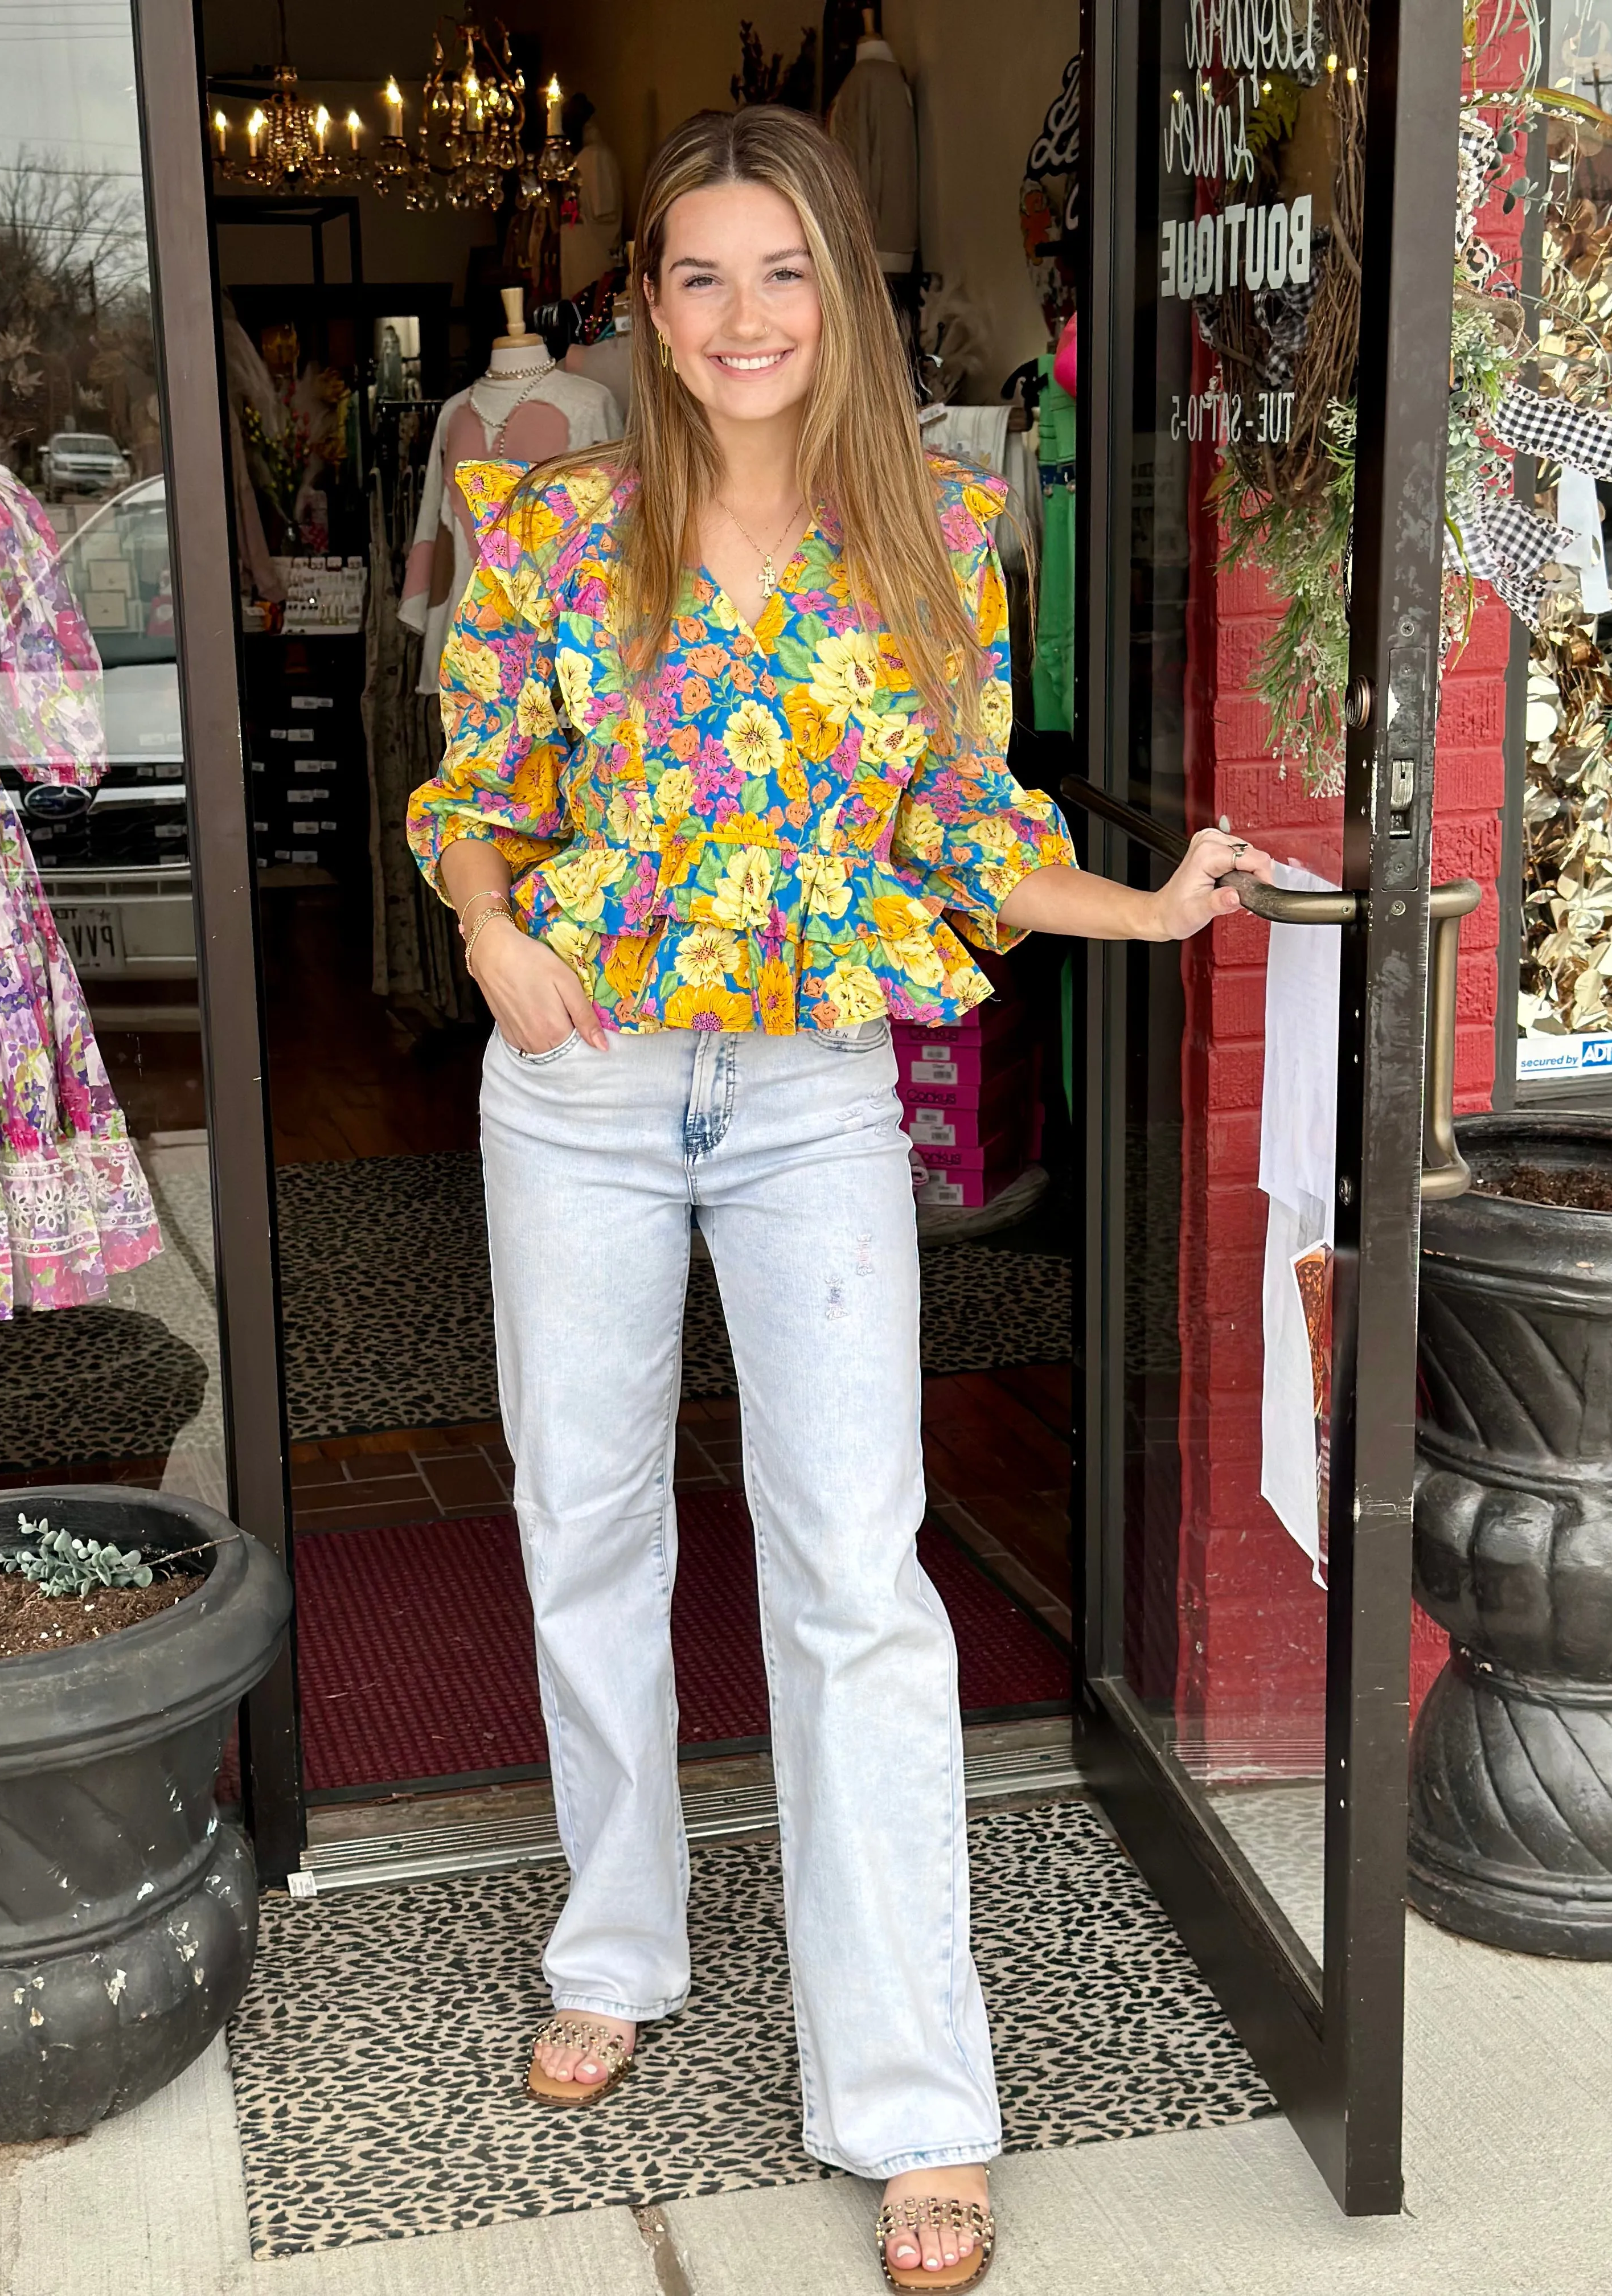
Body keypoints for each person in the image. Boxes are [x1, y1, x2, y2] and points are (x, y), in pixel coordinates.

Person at [407, 104, 1271, 2294]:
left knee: (855, 1570)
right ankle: (622, 1940)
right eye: (699, 277)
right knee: (583, 1513)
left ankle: (907, 2086)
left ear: (843, 292)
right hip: (583, 1079)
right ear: (653, 309)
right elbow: (473, 795)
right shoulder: (549, 526)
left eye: (779, 272)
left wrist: (1151, 915)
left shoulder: (933, 534)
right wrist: (495, 936)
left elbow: (963, 832)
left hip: (802, 1094)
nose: (742, 318)